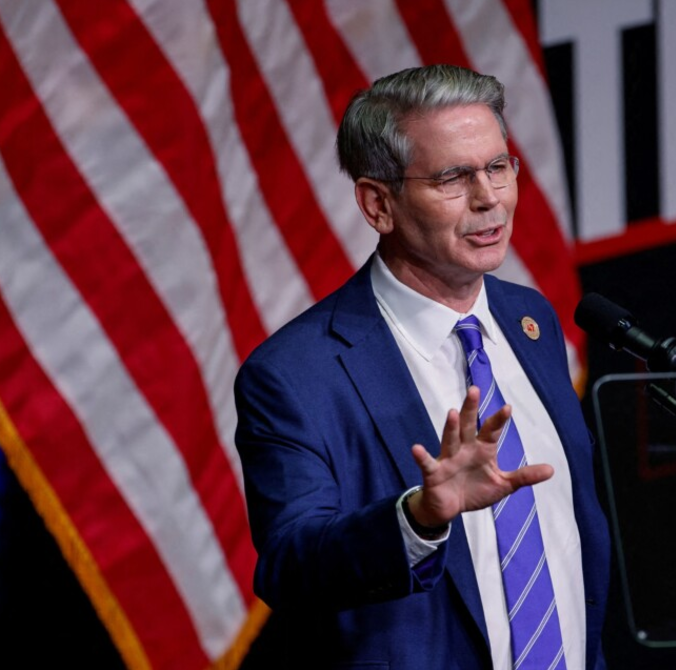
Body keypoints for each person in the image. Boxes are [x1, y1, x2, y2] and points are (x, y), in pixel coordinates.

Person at [234, 63, 610, 669]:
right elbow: (290, 566)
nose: (489, 198)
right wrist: (418, 518)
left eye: (498, 166)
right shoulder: (296, 375)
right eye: (453, 178)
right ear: (378, 204)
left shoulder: (530, 319)